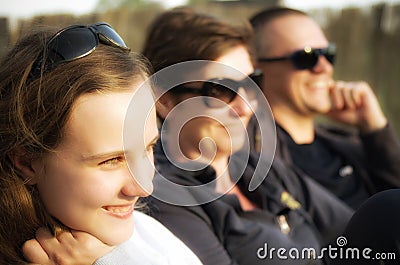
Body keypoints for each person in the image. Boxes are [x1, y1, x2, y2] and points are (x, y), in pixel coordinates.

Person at [140, 7, 353, 265]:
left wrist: (377, 131)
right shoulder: (166, 197)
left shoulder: (260, 168)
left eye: (250, 82)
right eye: (220, 90)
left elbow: (357, 231)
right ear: (163, 99)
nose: (244, 106)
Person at [0, 22, 202, 264]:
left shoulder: (149, 233)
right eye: (112, 160)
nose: (144, 187)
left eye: (149, 148)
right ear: (26, 162)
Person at [249, 7, 400, 210]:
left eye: (328, 54)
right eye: (306, 57)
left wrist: (375, 130)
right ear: (256, 69)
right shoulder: (255, 159)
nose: (324, 68)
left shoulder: (349, 143)